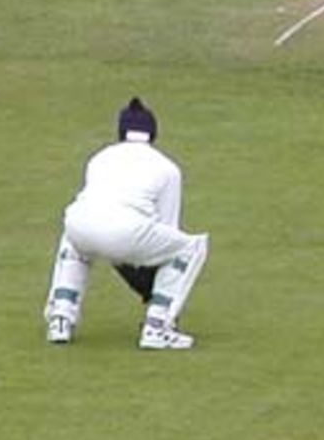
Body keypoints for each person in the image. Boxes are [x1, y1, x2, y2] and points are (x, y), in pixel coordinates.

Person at [43, 97, 209, 350]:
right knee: (190, 247)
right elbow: (167, 227)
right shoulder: (167, 168)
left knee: (75, 236)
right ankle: (158, 325)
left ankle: (60, 318)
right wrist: (149, 283)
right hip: (125, 232)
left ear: (121, 132)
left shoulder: (99, 158)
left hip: (80, 224)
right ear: (153, 134)